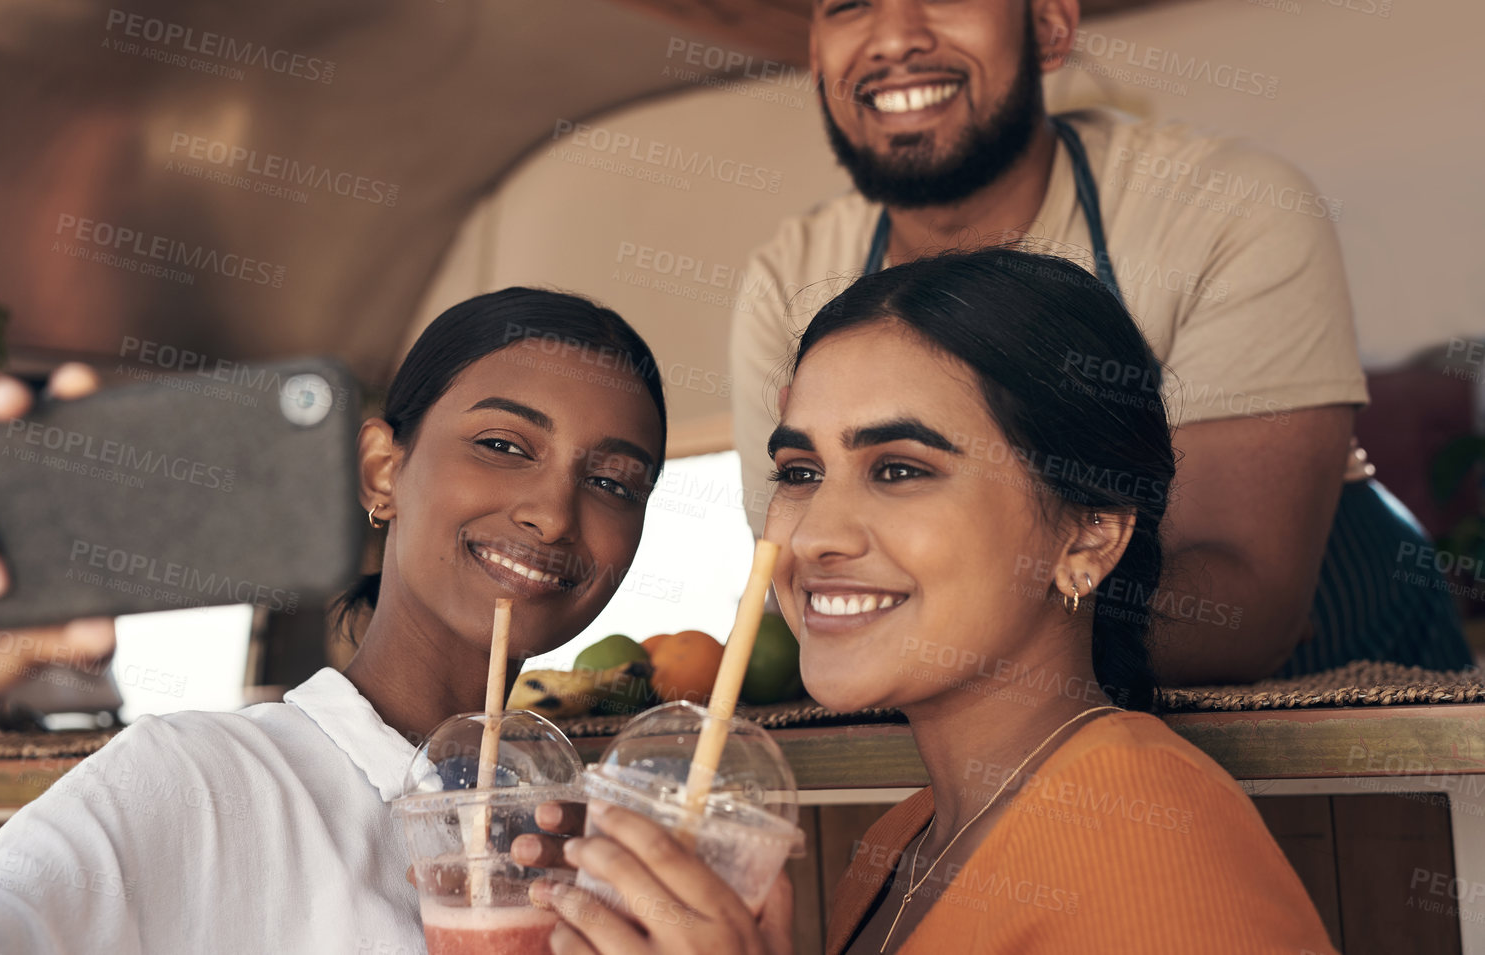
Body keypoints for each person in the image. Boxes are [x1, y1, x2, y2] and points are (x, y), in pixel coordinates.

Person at [729, 0, 1469, 684]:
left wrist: (934, 628)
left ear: (1048, 27)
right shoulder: (786, 281)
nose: (894, 38)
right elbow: (795, 571)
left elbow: (1241, 608)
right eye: (848, 2)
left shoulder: (1228, 210)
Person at [0, 287, 666, 954]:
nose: (552, 511)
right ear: (383, 473)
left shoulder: (611, 846)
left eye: (612, 480)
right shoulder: (198, 782)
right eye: (503, 445)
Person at [535, 248, 1339, 954]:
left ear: (1087, 539)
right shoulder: (899, 843)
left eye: (899, 469)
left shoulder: (1145, 837)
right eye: (800, 472)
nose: (814, 536)